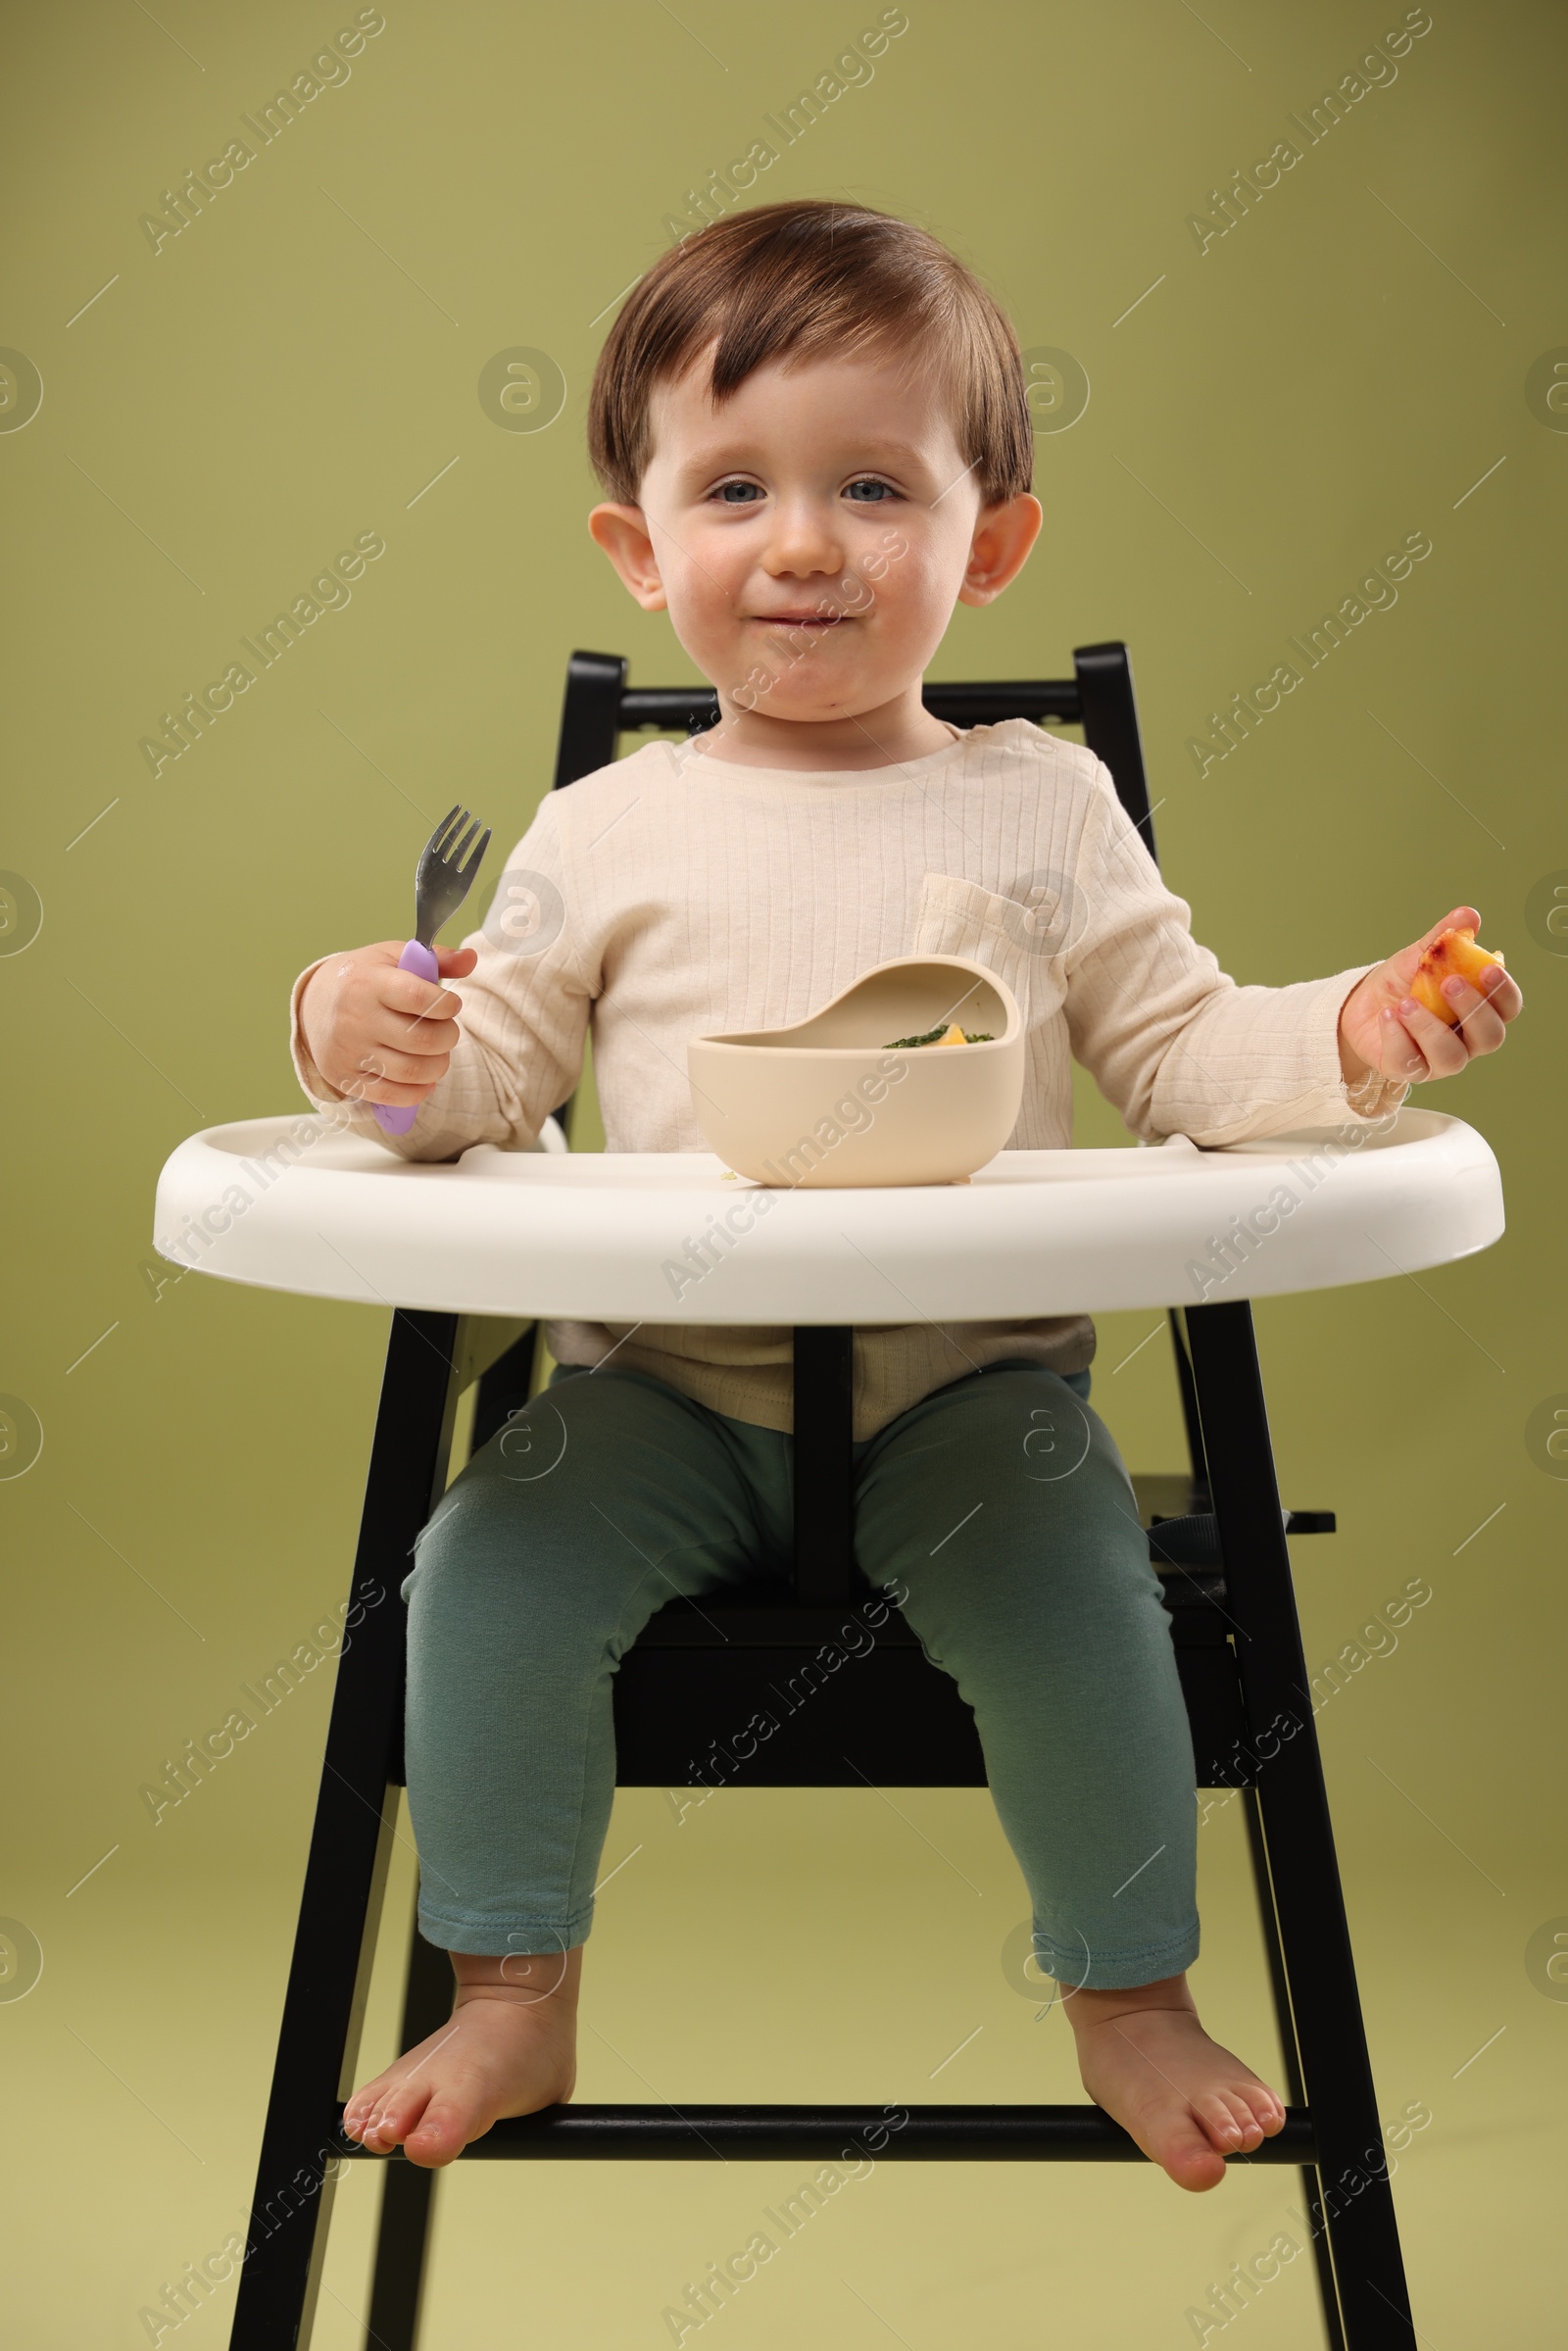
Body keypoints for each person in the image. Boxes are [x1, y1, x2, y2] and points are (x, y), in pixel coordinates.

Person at [290, 199, 1520, 2187]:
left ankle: (1125, 1994)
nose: (800, 544)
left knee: (1083, 1611)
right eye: (734, 490)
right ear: (637, 544)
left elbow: (1187, 1056)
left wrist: (1363, 1029)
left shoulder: (1039, 803)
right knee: (476, 1578)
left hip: (971, 1396)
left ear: (990, 537)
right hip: (655, 1395)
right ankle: (510, 1987)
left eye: (871, 486)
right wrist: (370, 1027)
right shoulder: (605, 824)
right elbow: (488, 1078)